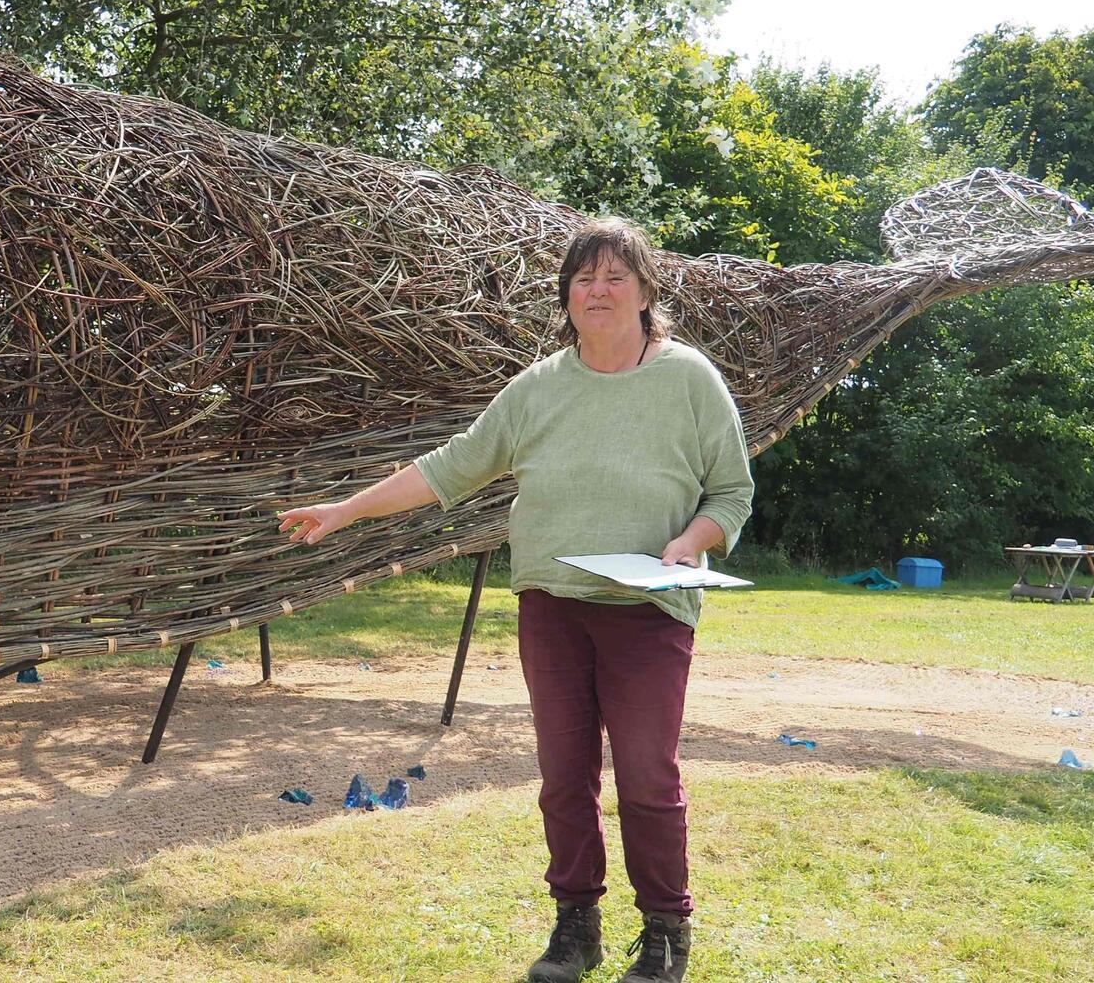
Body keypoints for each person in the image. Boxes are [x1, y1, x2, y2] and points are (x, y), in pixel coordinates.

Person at [275, 216, 754, 983]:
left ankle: (666, 934)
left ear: (645, 292)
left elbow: (732, 492)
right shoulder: (536, 388)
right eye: (583, 278)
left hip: (649, 612)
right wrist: (345, 510)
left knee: (646, 777)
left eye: (615, 277)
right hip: (552, 607)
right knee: (564, 776)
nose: (598, 291)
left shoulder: (689, 379)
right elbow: (452, 466)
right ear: (566, 296)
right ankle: (576, 929)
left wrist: (690, 542)